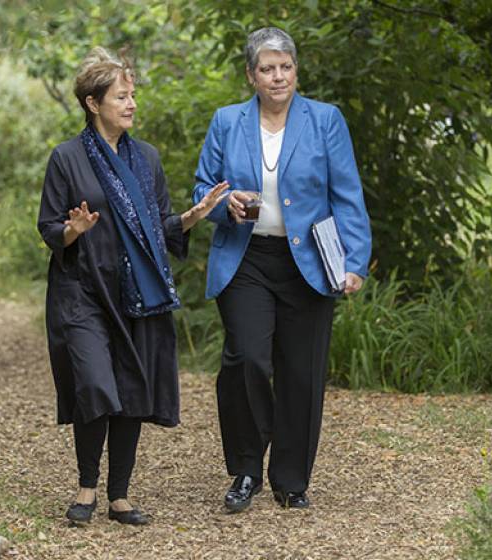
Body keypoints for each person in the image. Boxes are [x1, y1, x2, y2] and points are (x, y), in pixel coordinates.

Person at [37, 46, 228, 526]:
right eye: (121, 96)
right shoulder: (66, 158)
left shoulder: (148, 159)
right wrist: (74, 231)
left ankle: (119, 495)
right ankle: (86, 486)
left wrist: (188, 218)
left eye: (133, 95)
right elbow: (49, 226)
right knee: (96, 384)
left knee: (128, 389)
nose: (131, 103)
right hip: (81, 290)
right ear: (92, 103)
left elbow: (160, 224)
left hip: (135, 293)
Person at [192, 27, 371, 512]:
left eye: (285, 67)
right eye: (267, 68)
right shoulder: (227, 122)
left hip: (309, 262)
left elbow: (346, 194)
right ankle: (247, 469)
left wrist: (354, 263)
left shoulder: (325, 120)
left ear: (296, 70)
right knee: (246, 359)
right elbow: (202, 188)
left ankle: (291, 480)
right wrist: (225, 202)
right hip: (245, 259)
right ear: (252, 75)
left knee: (302, 373)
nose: (278, 77)